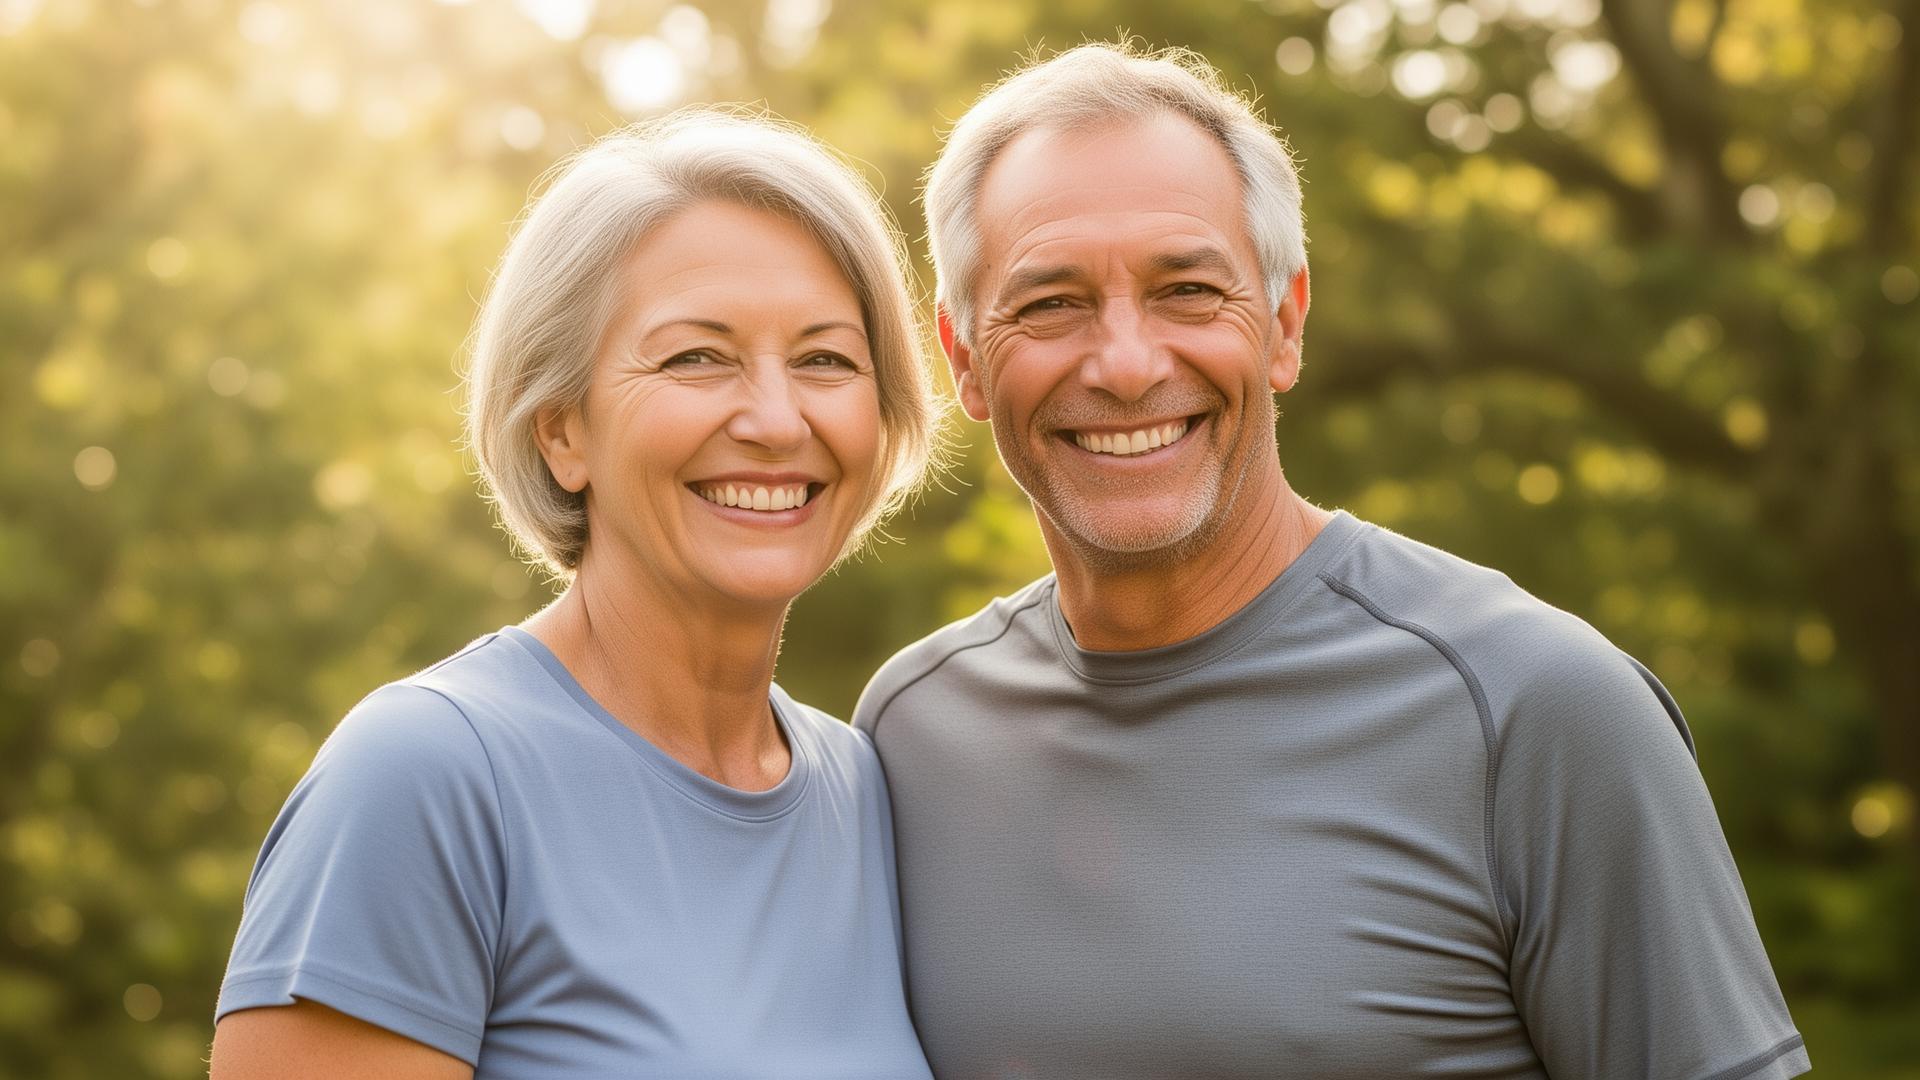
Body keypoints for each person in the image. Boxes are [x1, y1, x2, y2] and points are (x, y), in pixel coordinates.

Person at [855, 42, 1809, 1080]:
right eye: (1050, 303)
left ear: (1285, 323)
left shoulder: (1536, 710)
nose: (1126, 364)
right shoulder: (911, 735)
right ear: (964, 358)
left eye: (1188, 290)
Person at [210, 108, 938, 1079]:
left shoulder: (866, 791)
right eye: (696, 357)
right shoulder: (427, 774)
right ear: (561, 430)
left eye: (825, 360)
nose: (775, 419)